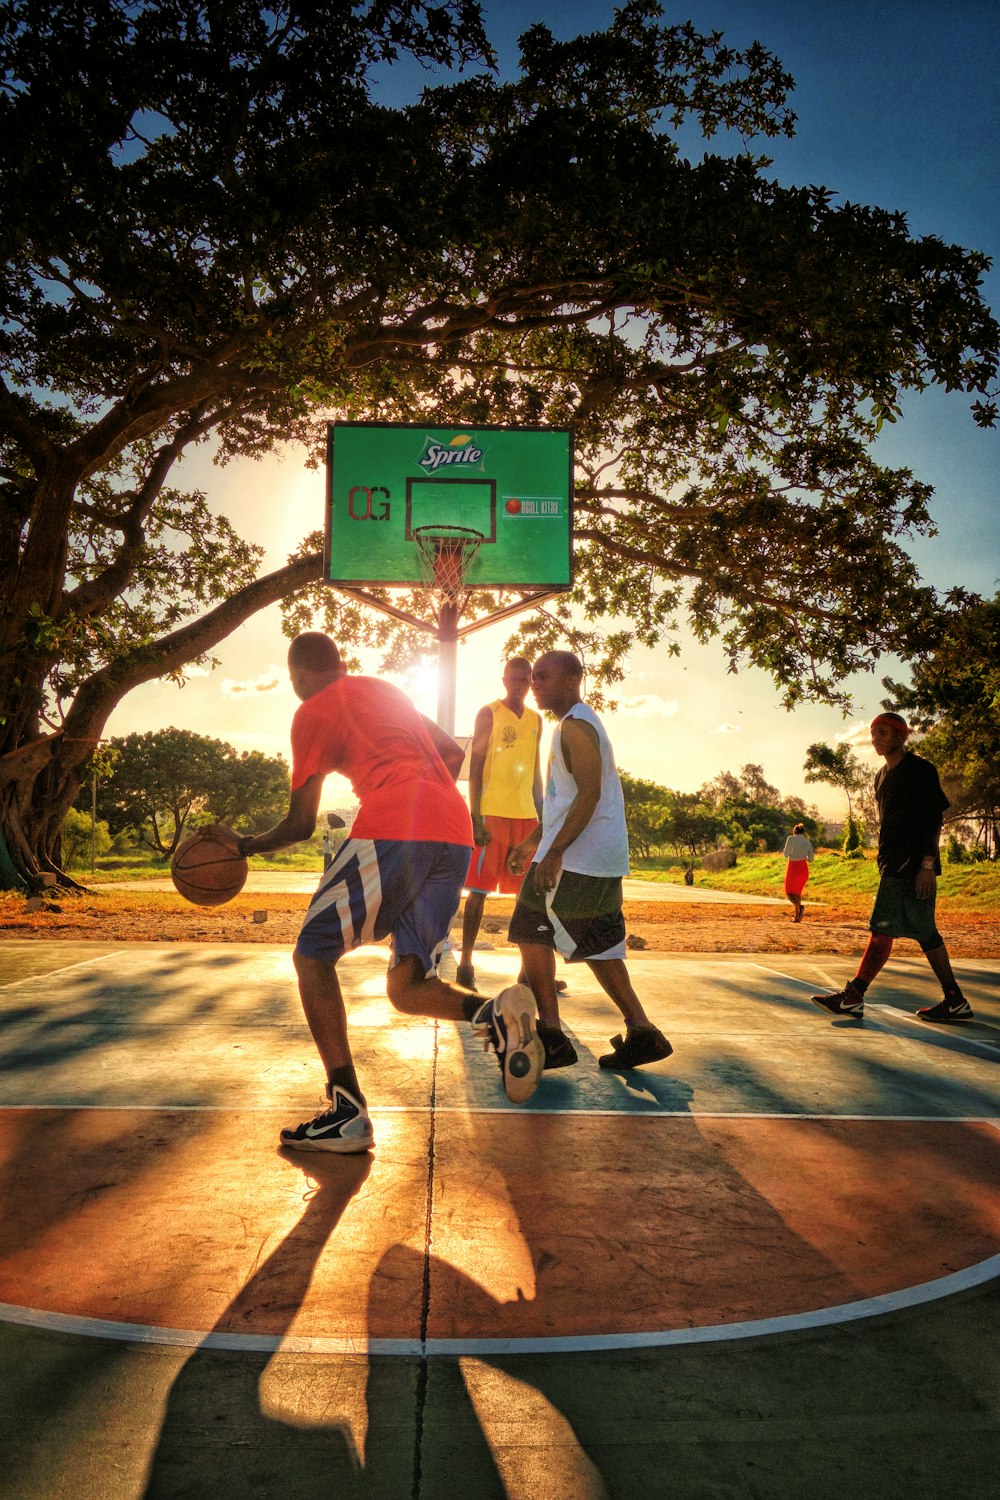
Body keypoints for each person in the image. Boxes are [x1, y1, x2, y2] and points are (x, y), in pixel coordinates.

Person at [216, 633, 545, 1151]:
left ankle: (347, 1112)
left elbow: (300, 824)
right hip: (453, 835)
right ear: (341, 663)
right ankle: (494, 1015)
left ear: (298, 676)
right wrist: (426, 791)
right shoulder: (385, 690)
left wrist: (242, 846)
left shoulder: (312, 712)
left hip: (397, 827)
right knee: (405, 988)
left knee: (312, 955)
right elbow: (448, 751)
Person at [507, 650, 672, 1072]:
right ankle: (642, 1033)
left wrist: (556, 851)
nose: (535, 683)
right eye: (533, 678)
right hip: (596, 856)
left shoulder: (575, 727)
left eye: (543, 677)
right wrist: (533, 842)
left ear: (572, 680)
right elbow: (566, 801)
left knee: (531, 928)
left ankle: (551, 1036)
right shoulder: (572, 724)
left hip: (578, 858)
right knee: (599, 946)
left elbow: (590, 795)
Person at [811, 712, 974, 1023]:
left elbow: (933, 820)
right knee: (925, 933)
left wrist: (927, 864)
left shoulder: (921, 770)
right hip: (892, 862)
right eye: (874, 734)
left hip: (912, 866)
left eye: (884, 733)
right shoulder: (880, 776)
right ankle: (954, 1000)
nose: (876, 739)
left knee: (881, 931)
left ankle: (853, 996)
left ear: (902, 736)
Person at [457, 658, 563, 1000]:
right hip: (491, 816)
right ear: (504, 679)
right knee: (478, 892)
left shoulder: (535, 719)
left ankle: (527, 973)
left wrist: (542, 818)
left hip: (526, 817)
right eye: (513, 679)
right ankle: (465, 965)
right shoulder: (489, 712)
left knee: (528, 898)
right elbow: (474, 765)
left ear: (531, 682)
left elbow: (535, 771)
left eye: (524, 680)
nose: (518, 684)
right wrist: (476, 818)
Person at [782, 822, 814, 922]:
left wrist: (790, 853)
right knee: (797, 893)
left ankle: (800, 907)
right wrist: (803, 856)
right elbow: (811, 859)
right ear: (803, 832)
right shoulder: (808, 842)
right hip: (803, 868)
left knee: (789, 893)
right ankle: (797, 918)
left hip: (793, 867)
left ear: (795, 831)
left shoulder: (790, 839)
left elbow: (786, 854)